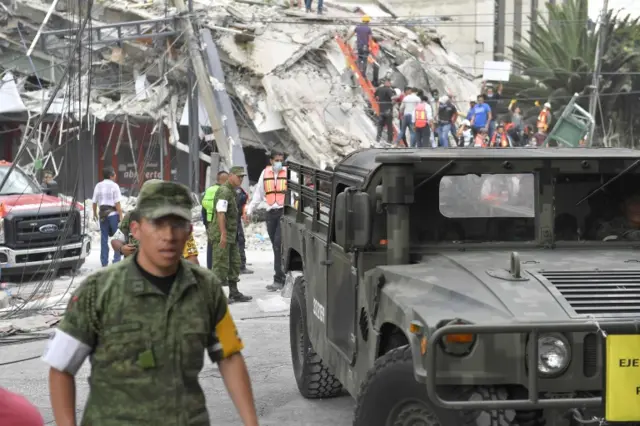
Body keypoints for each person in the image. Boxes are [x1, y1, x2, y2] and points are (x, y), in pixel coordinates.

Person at [42, 180, 259, 426]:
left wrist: (251, 422)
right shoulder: (98, 291)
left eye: (177, 224)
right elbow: (61, 366)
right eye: (157, 224)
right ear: (135, 229)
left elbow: (229, 355)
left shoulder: (205, 288)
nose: (168, 236)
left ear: (189, 231)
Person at [210, 166, 253, 303]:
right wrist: (223, 234)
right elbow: (220, 213)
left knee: (234, 263)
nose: (240, 179)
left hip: (231, 234)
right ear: (231, 176)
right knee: (220, 265)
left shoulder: (232, 191)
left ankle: (234, 292)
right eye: (238, 176)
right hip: (223, 234)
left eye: (242, 177)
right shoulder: (224, 192)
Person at [246, 152, 287, 292]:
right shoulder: (265, 173)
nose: (279, 163)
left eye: (281, 160)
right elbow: (258, 193)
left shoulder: (288, 173)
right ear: (271, 160)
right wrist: (250, 210)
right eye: (276, 160)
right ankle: (281, 277)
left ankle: (279, 279)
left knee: (278, 244)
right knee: (276, 247)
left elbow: (295, 192)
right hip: (270, 214)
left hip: (283, 213)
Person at [92, 167, 123, 267]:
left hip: (102, 215)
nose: (115, 175)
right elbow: (117, 203)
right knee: (116, 237)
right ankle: (116, 260)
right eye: (114, 174)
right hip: (113, 215)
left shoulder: (98, 185)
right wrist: (121, 216)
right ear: (111, 176)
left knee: (104, 238)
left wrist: (94, 213)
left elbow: (94, 202)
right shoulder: (115, 186)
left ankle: (104, 262)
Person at [202, 171, 229, 269]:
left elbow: (203, 209)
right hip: (220, 222)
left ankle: (210, 268)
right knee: (221, 247)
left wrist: (206, 224)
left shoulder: (209, 190)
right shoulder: (224, 191)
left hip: (210, 222)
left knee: (211, 246)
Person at [236, 182, 253, 275]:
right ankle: (240, 266)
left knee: (240, 241)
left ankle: (240, 265)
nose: (241, 179)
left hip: (236, 219)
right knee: (240, 241)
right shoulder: (235, 190)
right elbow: (240, 200)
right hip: (234, 220)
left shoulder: (237, 189)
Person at [374, 79, 395, 144]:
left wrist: (379, 100)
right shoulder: (389, 90)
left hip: (381, 110)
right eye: (390, 83)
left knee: (380, 125)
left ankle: (378, 139)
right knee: (389, 126)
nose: (390, 84)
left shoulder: (379, 89)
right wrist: (393, 104)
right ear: (388, 83)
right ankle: (389, 141)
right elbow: (393, 99)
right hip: (388, 110)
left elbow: (375, 96)